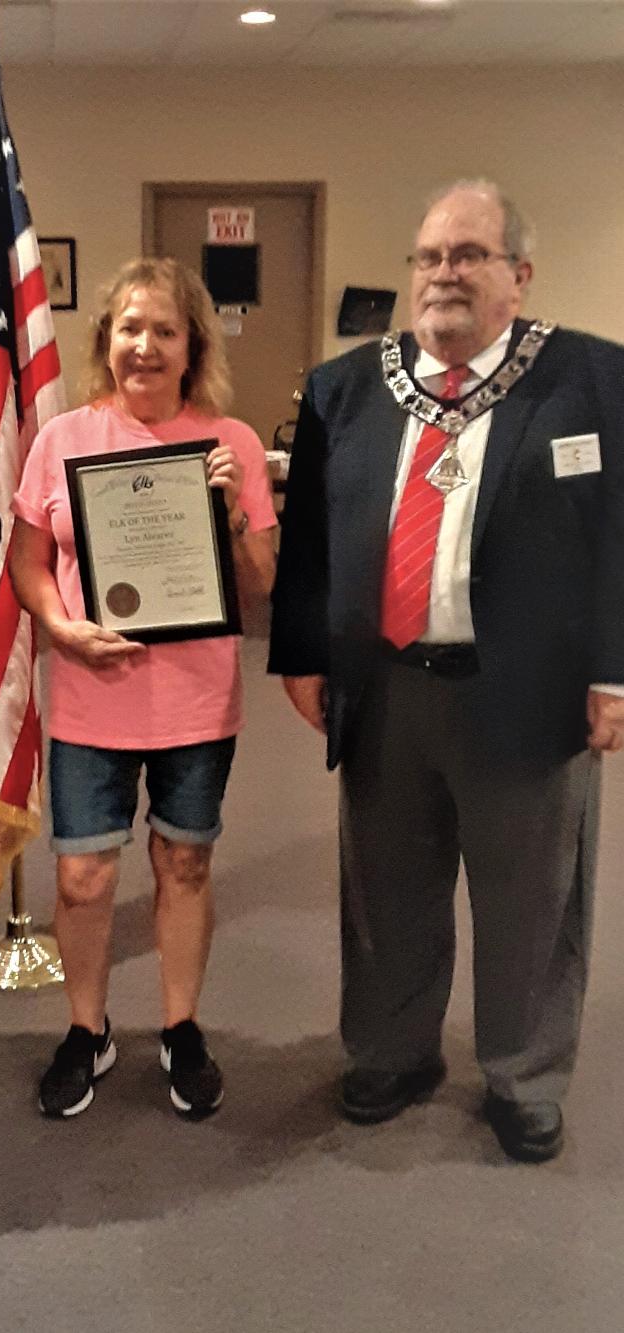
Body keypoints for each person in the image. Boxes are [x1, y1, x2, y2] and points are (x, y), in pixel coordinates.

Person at [269, 179, 624, 1162]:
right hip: (384, 687)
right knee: (386, 889)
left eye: (466, 255)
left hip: (530, 692)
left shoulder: (592, 380)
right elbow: (308, 542)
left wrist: (615, 669)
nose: (442, 275)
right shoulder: (346, 387)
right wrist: (299, 654)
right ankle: (391, 1050)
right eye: (428, 257)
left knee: (531, 901)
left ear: (518, 274)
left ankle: (523, 1073)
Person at [11, 257, 276, 1118]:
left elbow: (262, 581)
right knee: (84, 876)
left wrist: (234, 514)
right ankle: (87, 1030)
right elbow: (28, 562)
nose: (145, 346)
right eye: (130, 327)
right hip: (92, 695)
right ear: (107, 340)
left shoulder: (230, 442)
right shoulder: (62, 439)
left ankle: (181, 1025)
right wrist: (57, 625)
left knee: (184, 860)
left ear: (192, 344)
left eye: (164, 330)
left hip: (196, 701)